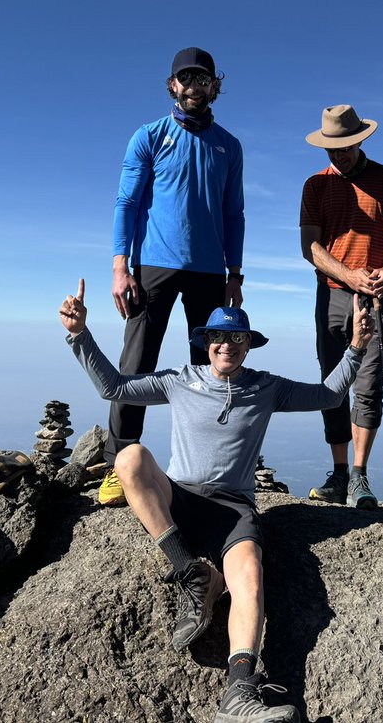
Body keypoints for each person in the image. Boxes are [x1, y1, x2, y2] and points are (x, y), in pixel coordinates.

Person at [60, 280, 372, 723]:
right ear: (206, 343)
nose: (227, 345)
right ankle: (192, 571)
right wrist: (79, 335)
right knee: (130, 457)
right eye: (219, 337)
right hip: (181, 495)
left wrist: (357, 347)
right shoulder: (179, 380)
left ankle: (239, 692)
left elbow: (329, 396)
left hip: (233, 508)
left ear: (249, 346)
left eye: (237, 338)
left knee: (249, 579)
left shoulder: (267, 387)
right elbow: (114, 388)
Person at [102, 47, 246, 507]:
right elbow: (126, 203)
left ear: (213, 87)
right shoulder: (149, 136)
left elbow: (233, 213)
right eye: (186, 78)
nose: (194, 86)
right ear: (172, 85)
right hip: (152, 267)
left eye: (203, 79)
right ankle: (119, 465)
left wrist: (235, 272)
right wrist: (119, 266)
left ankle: (202, 470)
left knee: (210, 371)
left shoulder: (229, 145)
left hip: (209, 270)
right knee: (136, 365)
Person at [299, 105, 383, 510]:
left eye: (346, 146)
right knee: (332, 383)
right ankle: (340, 473)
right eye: (332, 148)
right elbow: (309, 247)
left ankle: (359, 477)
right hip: (331, 294)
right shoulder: (315, 185)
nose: (339, 154)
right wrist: (349, 276)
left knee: (368, 384)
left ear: (360, 139)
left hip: (375, 294)